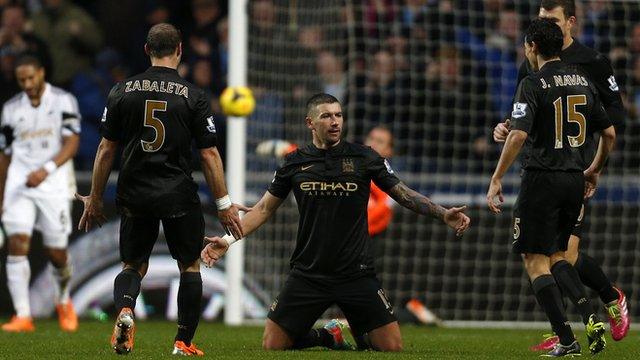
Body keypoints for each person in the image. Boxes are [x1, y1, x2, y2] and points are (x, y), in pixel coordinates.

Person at [202, 93, 470, 352]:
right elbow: (262, 209)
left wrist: (442, 213)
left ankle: (362, 333)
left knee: (392, 347)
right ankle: (328, 335)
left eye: (339, 115)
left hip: (356, 272)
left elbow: (403, 194)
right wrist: (227, 241)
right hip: (308, 273)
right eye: (327, 116)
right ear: (310, 123)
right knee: (272, 344)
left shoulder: (364, 157)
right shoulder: (294, 163)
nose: (335, 122)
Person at [75, 23, 244, 356]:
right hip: (177, 191)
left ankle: (125, 310)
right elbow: (209, 154)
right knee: (189, 265)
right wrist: (224, 204)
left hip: (135, 191)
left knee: (133, 265)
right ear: (180, 50)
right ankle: (183, 341)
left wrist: (94, 198)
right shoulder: (194, 96)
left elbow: (106, 149)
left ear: (146, 50)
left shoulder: (122, 90)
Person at [492, 0, 629, 350]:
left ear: (569, 23)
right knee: (560, 256)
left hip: (545, 175)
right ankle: (587, 318)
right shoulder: (575, 78)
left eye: (550, 20)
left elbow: (616, 117)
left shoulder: (591, 63)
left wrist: (496, 177)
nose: (546, 25)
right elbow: (606, 130)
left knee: (539, 259)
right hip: (575, 175)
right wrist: (508, 125)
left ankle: (577, 328)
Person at [0, 55, 80, 333]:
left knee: (57, 253)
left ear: (42, 73)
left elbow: (72, 142)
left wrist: (46, 169)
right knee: (17, 243)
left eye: (31, 77)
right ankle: (23, 315)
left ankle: (64, 300)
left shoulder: (63, 101)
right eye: (22, 80)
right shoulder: (10, 110)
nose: (27, 84)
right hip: (19, 184)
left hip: (54, 183)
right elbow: (5, 155)